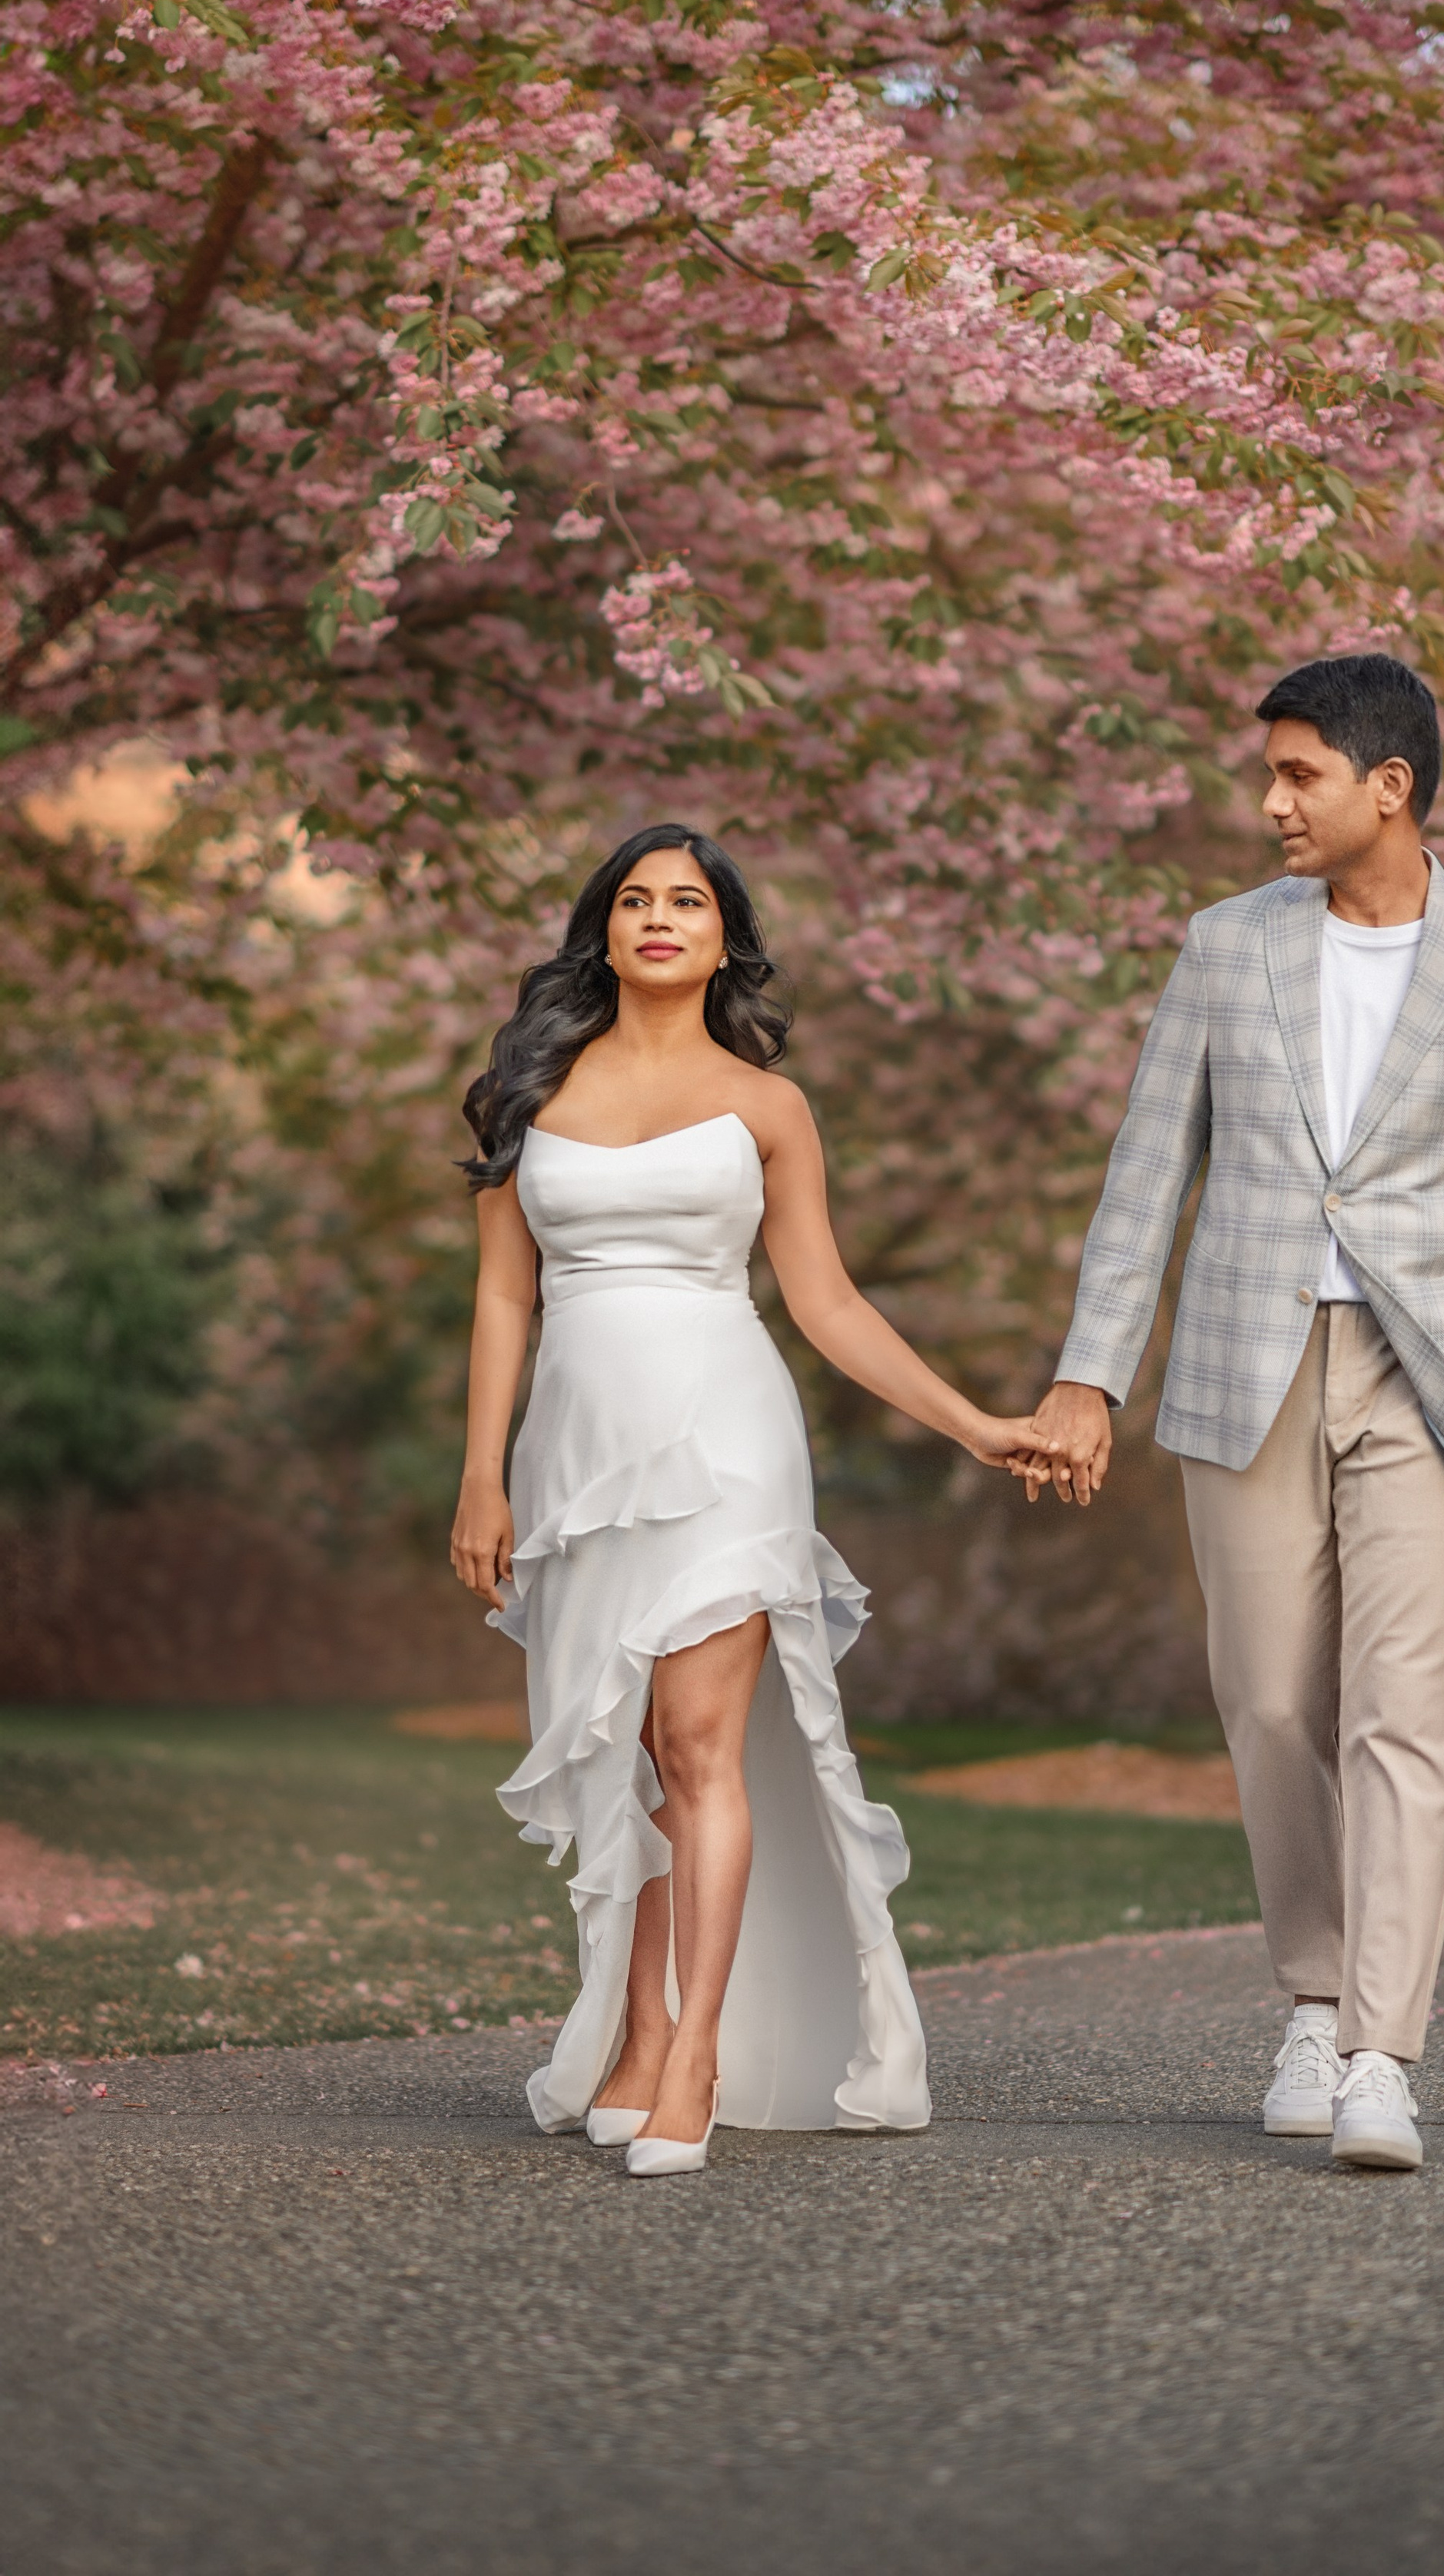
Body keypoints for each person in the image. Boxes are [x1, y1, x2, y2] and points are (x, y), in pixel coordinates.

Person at [1025, 655, 1444, 2173]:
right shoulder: (1226, 947)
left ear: (1386, 787)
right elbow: (1148, 1167)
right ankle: (1314, 1995)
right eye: (1270, 775)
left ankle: (1379, 2055)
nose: (1270, 803)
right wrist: (1088, 1371)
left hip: (1433, 1380)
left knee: (1406, 1709)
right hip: (1247, 1363)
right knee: (1274, 1698)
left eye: (1297, 775)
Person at [449, 823, 1051, 2176]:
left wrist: (974, 1424)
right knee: (625, 1753)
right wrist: (482, 1474)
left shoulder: (769, 1108)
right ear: (604, 931)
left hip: (727, 1434)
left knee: (698, 1742)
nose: (660, 918)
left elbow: (826, 1304)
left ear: (725, 939)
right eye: (636, 900)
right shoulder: (522, 1092)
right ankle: (639, 2035)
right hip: (577, 1454)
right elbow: (501, 1297)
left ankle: (697, 2054)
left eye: (689, 901)